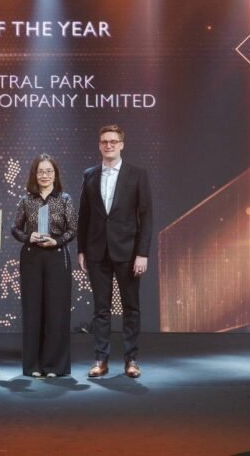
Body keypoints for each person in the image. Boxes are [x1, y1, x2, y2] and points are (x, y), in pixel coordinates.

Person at [77, 124, 153, 378]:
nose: (108, 145)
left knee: (131, 307)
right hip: (97, 251)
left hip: (128, 252)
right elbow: (84, 215)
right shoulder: (89, 174)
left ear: (121, 144)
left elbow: (146, 216)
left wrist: (142, 253)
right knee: (101, 309)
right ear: (99, 145)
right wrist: (81, 250)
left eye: (113, 141)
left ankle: (131, 360)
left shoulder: (137, 174)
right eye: (104, 141)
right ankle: (101, 360)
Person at [11, 154, 76, 378]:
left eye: (49, 171)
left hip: (57, 256)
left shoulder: (65, 199)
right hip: (32, 257)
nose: (45, 175)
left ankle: (54, 366)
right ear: (34, 175)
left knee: (56, 311)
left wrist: (57, 241)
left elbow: (73, 229)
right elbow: (14, 228)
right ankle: (34, 365)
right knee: (32, 310)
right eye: (40, 171)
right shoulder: (26, 200)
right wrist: (28, 237)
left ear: (55, 175)